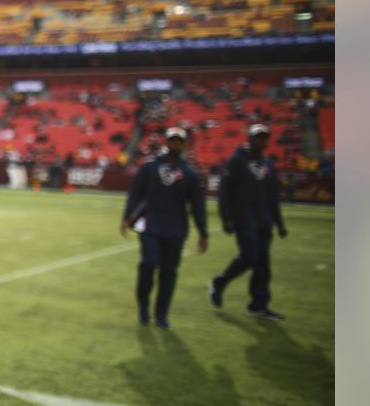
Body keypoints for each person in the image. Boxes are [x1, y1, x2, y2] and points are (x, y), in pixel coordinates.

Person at [120, 126, 208, 329]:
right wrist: (127, 217)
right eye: (172, 140)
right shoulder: (149, 167)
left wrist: (203, 232)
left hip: (176, 230)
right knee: (148, 265)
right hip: (150, 226)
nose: (175, 144)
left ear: (185, 144)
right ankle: (143, 308)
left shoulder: (190, 174)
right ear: (166, 142)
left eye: (179, 141)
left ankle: (161, 314)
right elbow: (135, 193)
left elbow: (197, 205)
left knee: (169, 273)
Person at [209, 124, 289, 320]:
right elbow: (225, 191)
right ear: (250, 138)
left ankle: (258, 305)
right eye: (257, 137)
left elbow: (272, 196)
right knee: (250, 257)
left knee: (263, 264)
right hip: (244, 219)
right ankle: (219, 283)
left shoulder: (268, 164)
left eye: (264, 138)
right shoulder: (237, 161)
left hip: (264, 221)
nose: (260, 141)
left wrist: (279, 222)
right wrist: (226, 217)